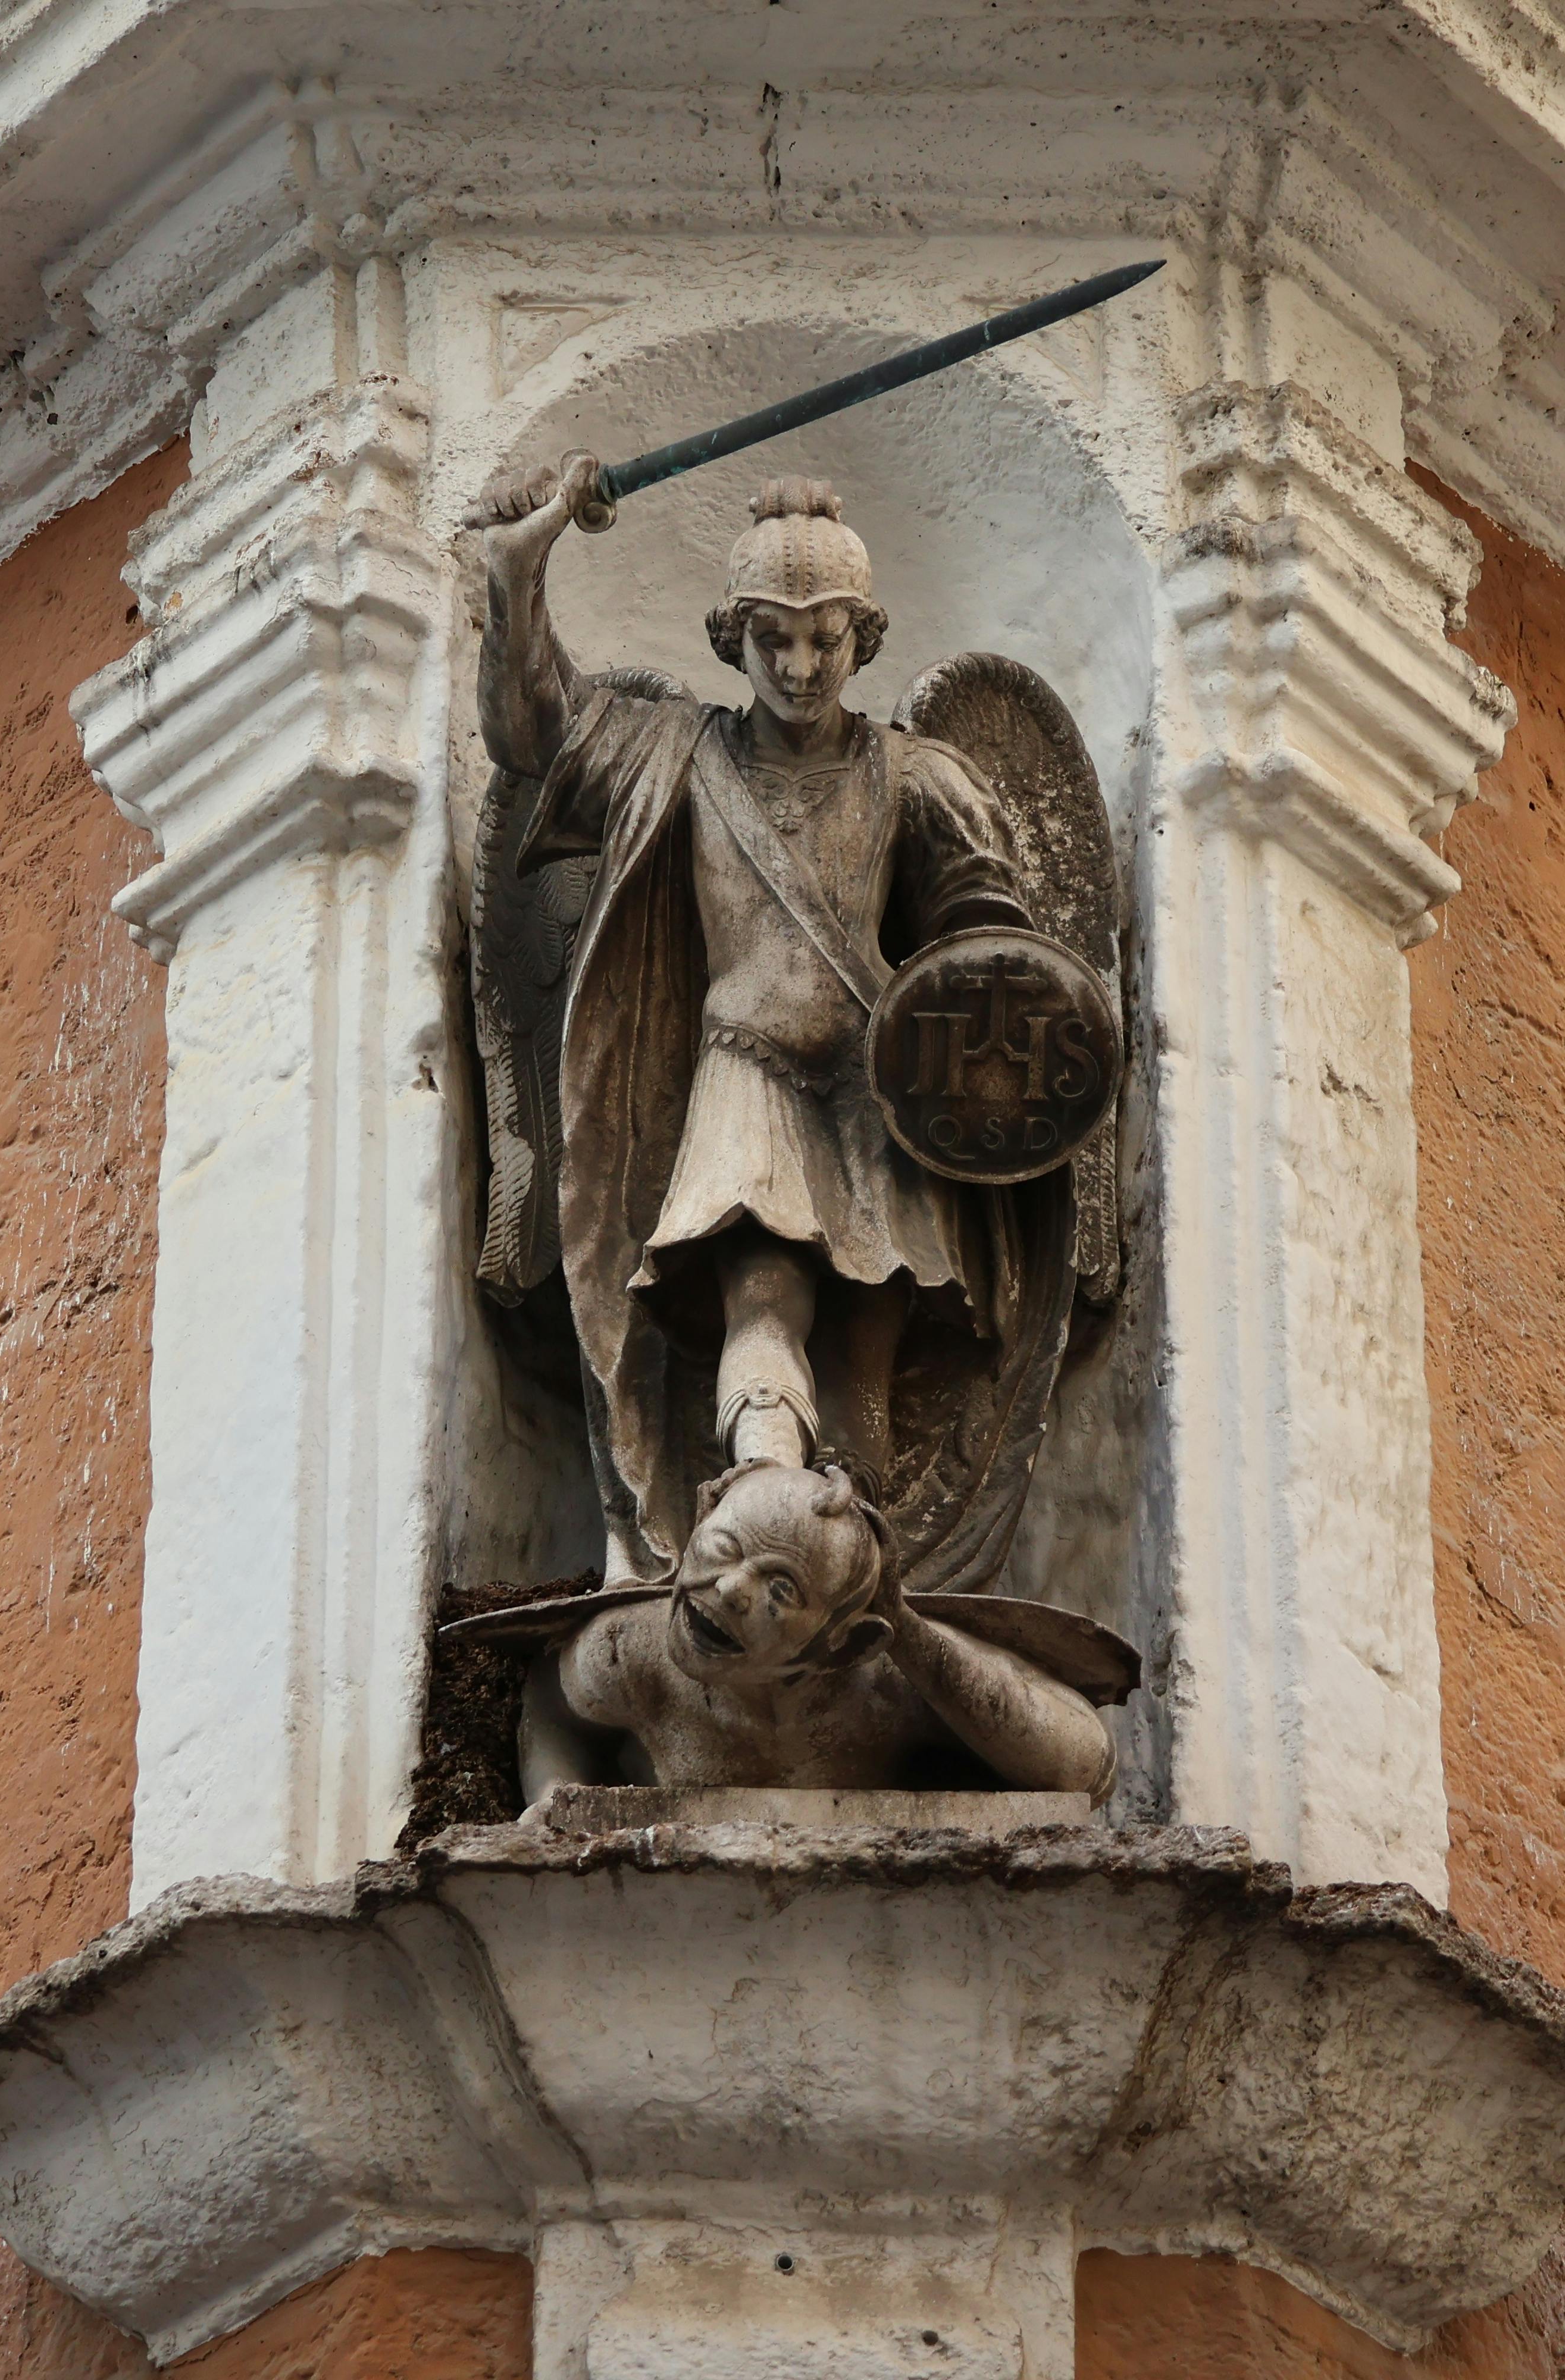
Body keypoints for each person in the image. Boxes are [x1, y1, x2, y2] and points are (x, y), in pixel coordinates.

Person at [474, 456, 1039, 1586]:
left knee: (870, 1353)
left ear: (862, 638)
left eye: (824, 639)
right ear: (731, 637)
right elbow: (533, 731)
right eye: (772, 638)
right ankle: (761, 1489)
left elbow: (997, 956)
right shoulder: (675, 758)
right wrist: (516, 571)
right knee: (760, 1294)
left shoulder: (917, 778)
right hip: (746, 1078)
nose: (798, 665)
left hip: (878, 1095)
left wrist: (985, 994)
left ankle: (851, 1570)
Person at [509, 1458, 1118, 1796]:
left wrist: (905, 1630)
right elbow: (548, 1703)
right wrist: (553, 1794)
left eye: (781, 1590)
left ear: (842, 1642)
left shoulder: (879, 1682)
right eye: (721, 1546)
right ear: (696, 1523)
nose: (727, 1589)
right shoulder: (631, 1649)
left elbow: (1085, 1767)